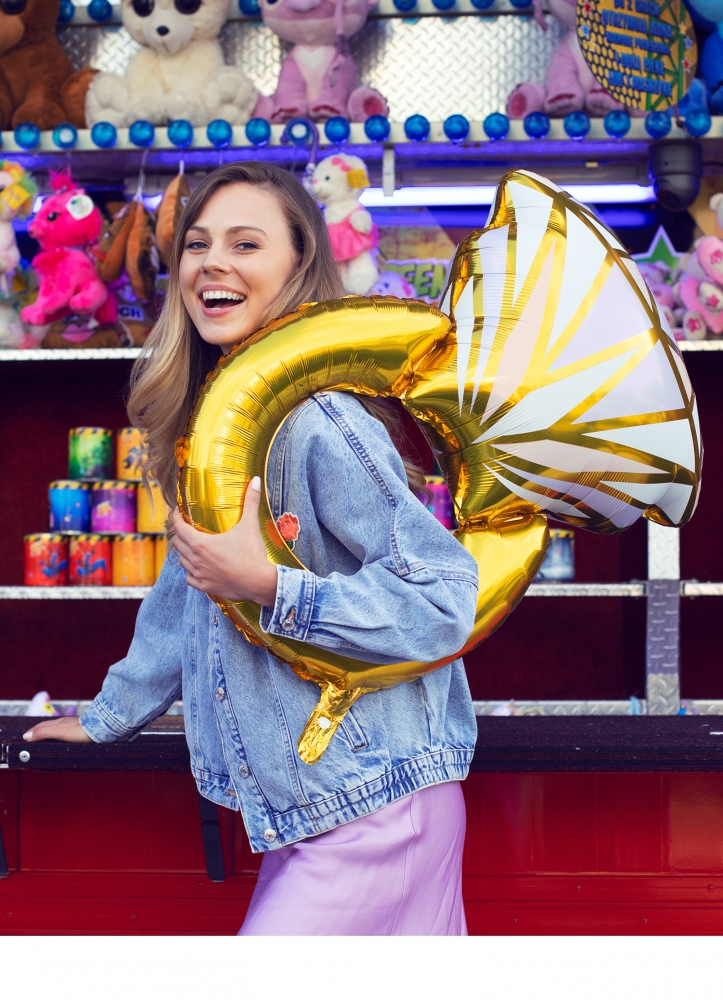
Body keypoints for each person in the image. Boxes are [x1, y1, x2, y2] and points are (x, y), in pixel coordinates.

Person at [25, 162, 479, 936]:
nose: (212, 263)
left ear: (298, 267)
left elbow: (444, 599)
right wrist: (108, 716)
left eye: (245, 242)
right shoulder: (226, 426)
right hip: (323, 809)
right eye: (198, 244)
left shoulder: (318, 422)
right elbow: (182, 595)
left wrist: (272, 584)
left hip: (379, 808)